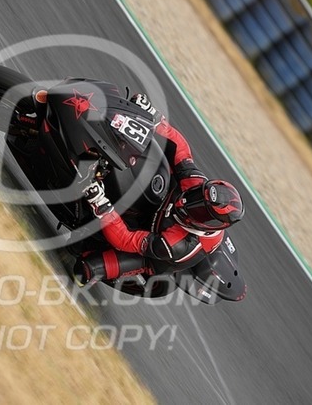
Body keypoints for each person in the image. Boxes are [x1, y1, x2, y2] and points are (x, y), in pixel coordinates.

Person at [73, 94, 245, 286]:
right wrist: (154, 117)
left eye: (199, 210)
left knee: (84, 269)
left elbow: (126, 240)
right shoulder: (195, 183)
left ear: (207, 225)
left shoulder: (178, 244)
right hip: (161, 202)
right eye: (197, 194)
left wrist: (101, 205)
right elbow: (180, 149)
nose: (189, 201)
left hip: (151, 251)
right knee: (156, 154)